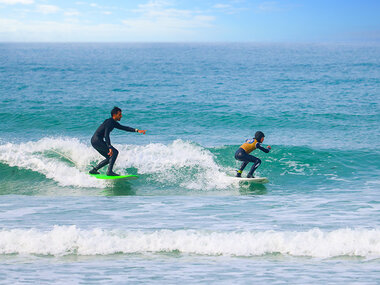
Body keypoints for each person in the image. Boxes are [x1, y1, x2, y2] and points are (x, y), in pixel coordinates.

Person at [89, 106, 146, 176]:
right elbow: (106, 135)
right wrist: (109, 147)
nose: (121, 116)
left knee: (109, 158)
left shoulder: (113, 122)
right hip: (97, 140)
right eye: (119, 115)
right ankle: (109, 172)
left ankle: (94, 170)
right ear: (114, 115)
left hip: (94, 141)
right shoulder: (109, 122)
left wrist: (137, 130)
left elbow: (124, 128)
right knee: (115, 152)